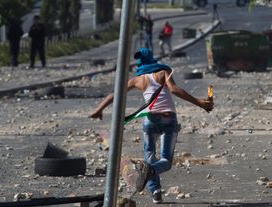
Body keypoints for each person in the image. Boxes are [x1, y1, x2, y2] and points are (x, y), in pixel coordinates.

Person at [89, 48, 213, 204]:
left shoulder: (137, 80)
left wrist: (99, 110)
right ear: (151, 58)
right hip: (168, 118)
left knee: (149, 157)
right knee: (165, 161)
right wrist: (200, 103)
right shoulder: (162, 71)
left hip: (150, 119)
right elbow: (174, 89)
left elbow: (115, 94)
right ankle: (153, 173)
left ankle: (155, 192)